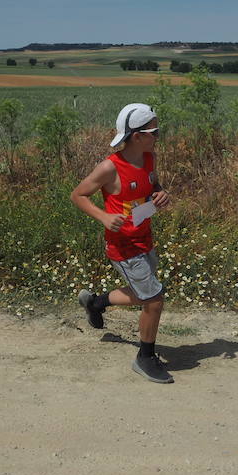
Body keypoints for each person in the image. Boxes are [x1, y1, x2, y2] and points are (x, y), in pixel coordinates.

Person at [70, 103, 174, 384]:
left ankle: (95, 303)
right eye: (155, 131)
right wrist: (103, 217)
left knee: (143, 294)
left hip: (145, 238)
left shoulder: (149, 157)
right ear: (137, 135)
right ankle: (145, 357)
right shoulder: (109, 167)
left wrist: (160, 194)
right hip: (123, 246)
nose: (159, 136)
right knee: (153, 299)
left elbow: (153, 185)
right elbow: (78, 195)